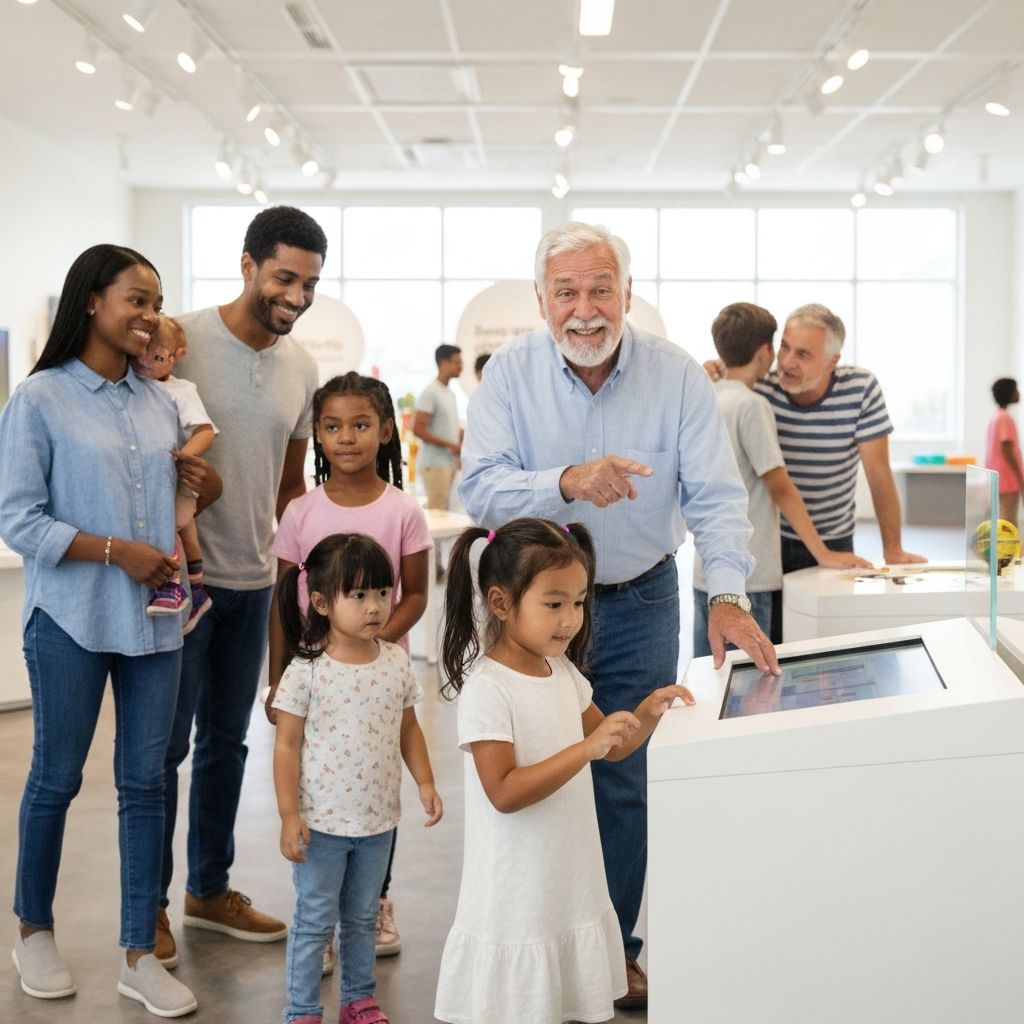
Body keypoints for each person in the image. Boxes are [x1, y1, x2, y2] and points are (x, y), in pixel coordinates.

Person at [458, 221, 779, 1009]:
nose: (585, 309)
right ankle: (537, 949)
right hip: (530, 616)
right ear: (542, 300)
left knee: (623, 774)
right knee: (536, 777)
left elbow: (716, 499)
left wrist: (727, 596)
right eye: (566, 292)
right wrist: (566, 481)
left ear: (628, 294)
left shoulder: (676, 377)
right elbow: (480, 489)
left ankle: (615, 952)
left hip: (640, 598)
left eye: (601, 289)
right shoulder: (510, 376)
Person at [0, 244, 221, 1017]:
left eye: (157, 302)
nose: (150, 315)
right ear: (91, 301)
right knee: (55, 779)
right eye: (136, 299)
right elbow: (17, 518)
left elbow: (176, 504)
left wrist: (204, 487)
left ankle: (138, 954)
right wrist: (112, 550)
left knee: (146, 784)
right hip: (69, 619)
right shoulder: (40, 399)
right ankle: (33, 931)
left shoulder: (161, 402)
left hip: (156, 624)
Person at [433, 518, 695, 1024]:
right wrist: (586, 749)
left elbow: (613, 750)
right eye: (554, 604)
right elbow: (504, 792)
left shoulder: (563, 671)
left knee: (560, 1001)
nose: (571, 620)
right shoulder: (488, 688)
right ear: (501, 603)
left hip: (565, 878)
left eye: (578, 602)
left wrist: (646, 712)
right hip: (518, 888)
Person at [158, 206, 325, 966]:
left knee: (226, 743)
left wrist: (299, 585)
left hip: (255, 585)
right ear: (249, 265)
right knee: (162, 751)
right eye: (284, 278)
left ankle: (208, 890)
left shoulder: (302, 368)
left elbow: (290, 490)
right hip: (178, 581)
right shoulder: (183, 342)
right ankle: (148, 906)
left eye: (309, 284)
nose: (296, 296)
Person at [266, 371, 432, 963]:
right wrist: (275, 678)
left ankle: (374, 898)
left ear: (385, 431)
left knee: (374, 785)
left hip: (379, 683)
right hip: (314, 679)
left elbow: (416, 593)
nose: (346, 437)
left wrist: (367, 642)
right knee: (318, 784)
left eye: (361, 425)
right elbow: (283, 602)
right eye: (332, 426)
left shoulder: (403, 511)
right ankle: (321, 914)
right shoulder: (300, 512)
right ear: (317, 434)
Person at [272, 533, 442, 1024]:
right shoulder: (306, 670)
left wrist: (425, 782)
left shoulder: (394, 662)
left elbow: (408, 729)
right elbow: (286, 747)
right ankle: (302, 1009)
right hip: (320, 825)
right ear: (322, 603)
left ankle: (358, 1000)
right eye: (360, 594)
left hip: (378, 822)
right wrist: (289, 815)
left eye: (383, 593)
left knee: (364, 917)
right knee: (314, 919)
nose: (375, 607)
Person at [693, 303, 872, 653]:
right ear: (765, 352)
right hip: (751, 573)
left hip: (707, 568)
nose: (785, 360)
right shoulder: (753, 405)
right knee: (756, 670)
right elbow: (780, 487)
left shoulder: (708, 394)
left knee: (710, 666)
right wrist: (822, 552)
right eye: (782, 347)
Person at [752, 303, 926, 572]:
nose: (786, 362)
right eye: (785, 347)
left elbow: (878, 473)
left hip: (834, 537)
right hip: (770, 536)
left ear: (832, 362)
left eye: (803, 354)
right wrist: (714, 370)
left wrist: (893, 549)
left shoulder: (861, 389)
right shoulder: (760, 387)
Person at [131, 315, 217, 631]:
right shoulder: (132, 383)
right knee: (185, 531)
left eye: (156, 357)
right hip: (151, 478)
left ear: (176, 356)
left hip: (176, 476)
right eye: (140, 354)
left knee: (171, 525)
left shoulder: (179, 390)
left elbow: (205, 431)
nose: (145, 363)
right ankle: (197, 591)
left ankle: (173, 586)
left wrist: (184, 457)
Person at [413, 344, 463, 510]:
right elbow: (418, 429)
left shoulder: (450, 393)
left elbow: (447, 427)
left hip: (448, 463)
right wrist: (451, 445)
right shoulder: (431, 392)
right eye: (457, 362)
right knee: (438, 512)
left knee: (445, 511)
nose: (460, 367)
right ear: (443, 363)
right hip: (434, 463)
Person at [985, 377, 1024, 528]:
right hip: (1008, 478)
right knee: (1009, 519)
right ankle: (1007, 544)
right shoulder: (1005, 418)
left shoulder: (997, 416)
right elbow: (1006, 448)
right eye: (1016, 390)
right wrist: (1019, 476)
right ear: (1009, 393)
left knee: (1004, 516)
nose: (1019, 393)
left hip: (999, 478)